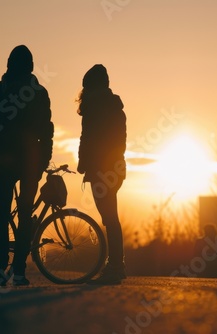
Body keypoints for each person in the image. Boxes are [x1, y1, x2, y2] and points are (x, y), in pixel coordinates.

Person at [0, 45, 53, 286]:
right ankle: (20, 271)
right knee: (25, 215)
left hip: (6, 160)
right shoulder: (39, 92)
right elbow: (47, 130)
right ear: (31, 65)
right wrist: (44, 159)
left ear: (9, 64)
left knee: (2, 215)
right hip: (30, 162)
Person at [77, 64, 127, 285]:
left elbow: (86, 139)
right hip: (115, 168)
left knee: (110, 217)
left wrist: (84, 163)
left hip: (101, 169)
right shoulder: (116, 109)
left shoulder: (92, 109)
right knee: (111, 217)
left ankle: (115, 265)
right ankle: (116, 264)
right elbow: (119, 142)